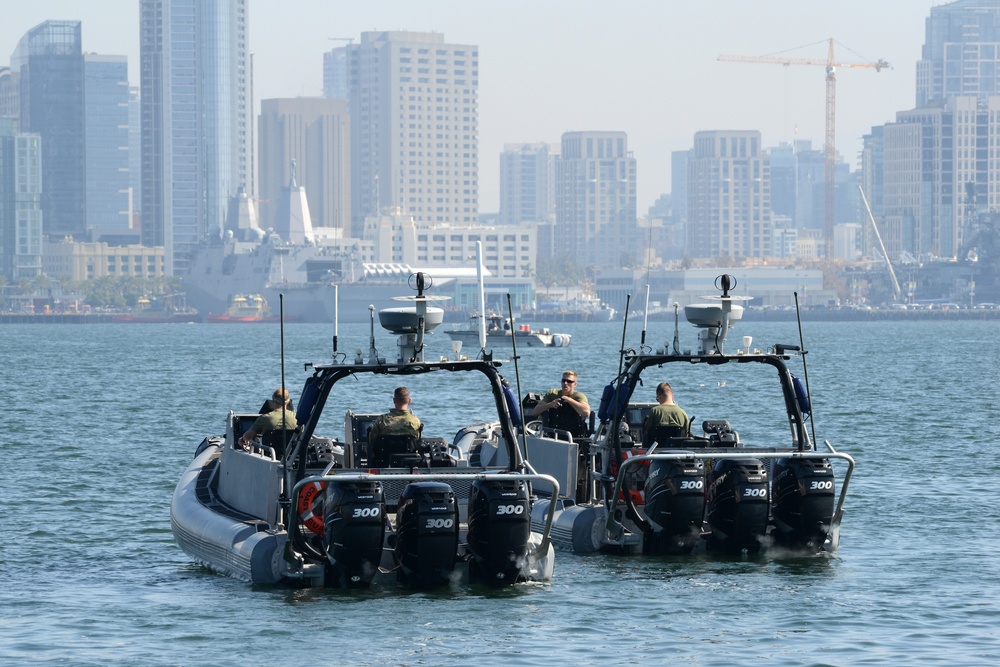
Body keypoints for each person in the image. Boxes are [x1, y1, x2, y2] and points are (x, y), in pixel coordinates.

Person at [530, 370, 590, 437]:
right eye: (563, 380)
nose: (565, 383)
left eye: (569, 381)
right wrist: (550, 404)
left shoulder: (579, 396)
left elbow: (586, 412)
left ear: (575, 384)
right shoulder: (553, 393)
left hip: (573, 434)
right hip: (553, 433)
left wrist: (568, 400)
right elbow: (535, 411)